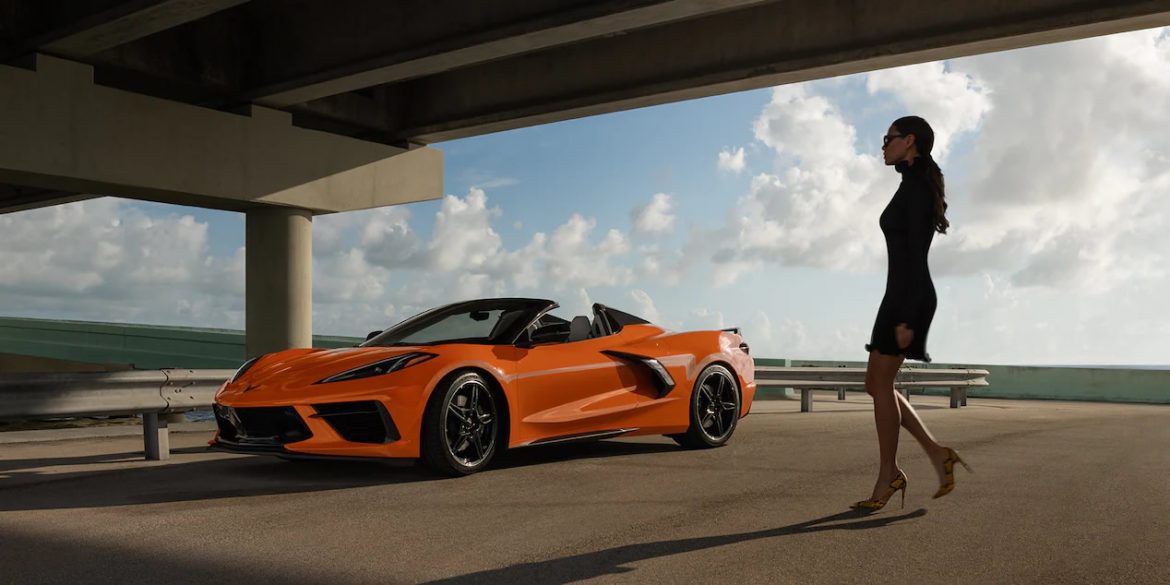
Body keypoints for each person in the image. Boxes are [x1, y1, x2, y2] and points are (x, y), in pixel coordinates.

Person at [852, 116, 971, 512]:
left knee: (880, 385)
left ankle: (890, 475)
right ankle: (937, 454)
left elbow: (916, 255)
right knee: (875, 384)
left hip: (909, 296)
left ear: (910, 141)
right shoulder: (910, 183)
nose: (882, 146)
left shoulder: (918, 188)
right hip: (900, 295)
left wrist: (904, 315)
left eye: (888, 139)